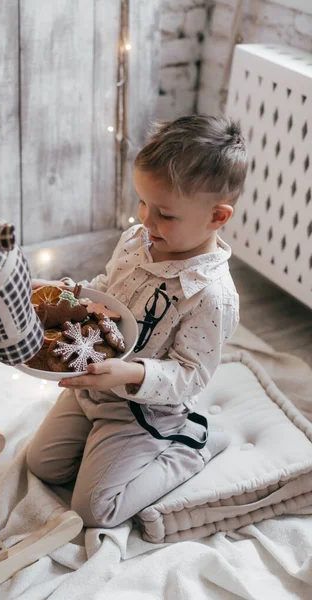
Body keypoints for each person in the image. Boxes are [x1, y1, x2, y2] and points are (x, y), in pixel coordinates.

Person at [27, 115, 248, 529]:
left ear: (217, 217)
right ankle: (98, 442)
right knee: (44, 466)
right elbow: (105, 293)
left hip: (145, 410)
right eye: (142, 203)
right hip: (94, 383)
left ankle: (193, 446)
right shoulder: (137, 241)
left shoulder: (211, 295)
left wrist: (128, 373)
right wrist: (63, 293)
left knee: (94, 511)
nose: (146, 220)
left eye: (164, 213)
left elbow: (190, 375)